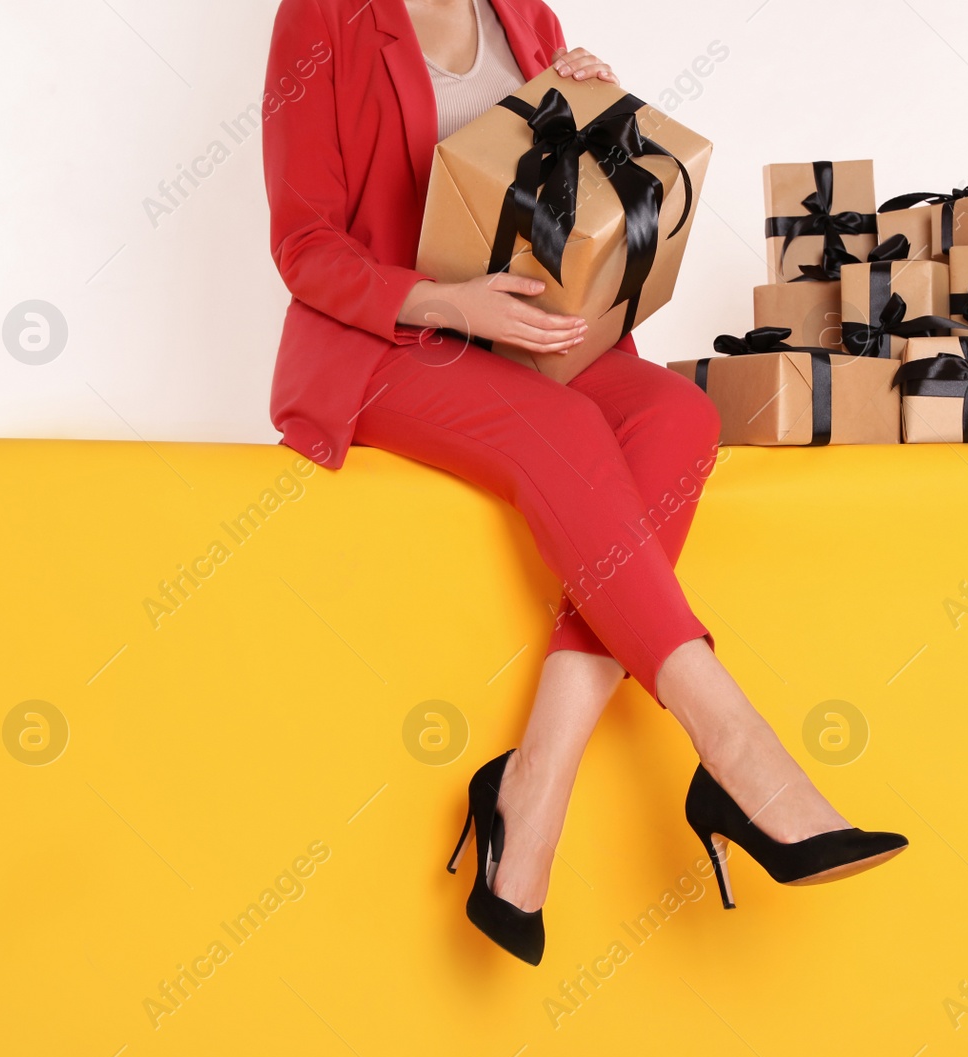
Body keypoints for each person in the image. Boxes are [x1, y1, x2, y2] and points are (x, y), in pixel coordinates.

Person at [262, 0, 907, 966]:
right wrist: (446, 301)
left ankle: (534, 782)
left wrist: (588, 108)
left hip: (525, 336)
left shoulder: (524, 11)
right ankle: (736, 747)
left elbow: (539, 191)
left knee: (680, 417)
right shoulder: (324, 19)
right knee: (562, 430)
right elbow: (303, 246)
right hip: (390, 340)